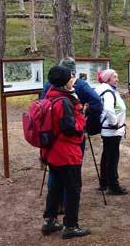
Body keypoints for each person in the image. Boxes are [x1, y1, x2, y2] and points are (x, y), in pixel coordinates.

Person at [41, 58, 103, 213]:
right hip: (70, 137)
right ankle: (69, 212)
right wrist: (88, 121)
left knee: (54, 169)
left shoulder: (49, 85)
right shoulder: (79, 85)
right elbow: (96, 101)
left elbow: (42, 104)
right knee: (72, 171)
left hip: (50, 135)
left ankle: (55, 207)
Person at [41, 66, 91, 239]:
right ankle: (70, 226)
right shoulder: (64, 101)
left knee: (55, 186)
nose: (73, 79)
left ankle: (50, 221)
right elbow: (70, 128)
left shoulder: (50, 96)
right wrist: (81, 118)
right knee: (73, 188)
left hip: (52, 151)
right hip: (66, 153)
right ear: (64, 81)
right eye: (71, 77)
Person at [95, 68, 127, 195]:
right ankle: (113, 185)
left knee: (107, 155)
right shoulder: (108, 92)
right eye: (114, 77)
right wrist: (114, 123)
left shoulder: (108, 89)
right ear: (107, 79)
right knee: (112, 157)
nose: (117, 79)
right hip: (112, 130)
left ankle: (104, 182)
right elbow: (109, 109)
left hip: (110, 129)